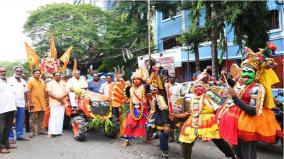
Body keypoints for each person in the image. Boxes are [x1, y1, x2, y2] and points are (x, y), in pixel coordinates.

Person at [218, 47, 282, 159]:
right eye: (244, 72)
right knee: (238, 154)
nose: (246, 74)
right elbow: (235, 85)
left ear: (257, 75)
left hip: (248, 124)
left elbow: (253, 111)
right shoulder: (242, 83)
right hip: (235, 122)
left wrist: (235, 98)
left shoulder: (258, 88)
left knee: (247, 155)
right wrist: (227, 79)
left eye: (249, 72)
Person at [175, 80, 236, 159]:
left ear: (204, 88)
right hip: (193, 121)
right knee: (185, 140)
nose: (198, 88)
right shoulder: (190, 99)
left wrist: (222, 119)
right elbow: (187, 113)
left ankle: (232, 154)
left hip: (209, 121)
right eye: (196, 86)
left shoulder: (209, 96)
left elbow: (220, 107)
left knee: (219, 140)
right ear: (193, 89)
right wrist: (176, 115)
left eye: (200, 86)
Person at [123, 68, 149, 147]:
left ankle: (148, 138)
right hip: (134, 109)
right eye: (134, 79)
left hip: (144, 109)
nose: (136, 81)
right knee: (129, 123)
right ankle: (127, 140)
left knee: (148, 124)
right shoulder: (130, 88)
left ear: (141, 80)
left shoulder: (145, 87)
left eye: (138, 79)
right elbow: (128, 97)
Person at [147, 83, 171, 159]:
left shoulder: (160, 98)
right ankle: (163, 148)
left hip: (162, 120)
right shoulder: (154, 98)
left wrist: (166, 124)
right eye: (151, 90)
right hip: (158, 119)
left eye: (154, 90)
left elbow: (164, 110)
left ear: (158, 90)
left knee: (163, 136)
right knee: (161, 136)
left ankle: (165, 153)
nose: (152, 91)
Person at [8, 66, 30, 142]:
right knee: (10, 121)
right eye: (17, 71)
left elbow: (26, 92)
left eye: (20, 71)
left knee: (20, 120)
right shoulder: (9, 80)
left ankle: (20, 135)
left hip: (21, 103)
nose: (19, 72)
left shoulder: (24, 81)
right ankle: (10, 137)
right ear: (14, 71)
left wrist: (27, 102)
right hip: (11, 104)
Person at [0, 66, 17, 154]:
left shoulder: (9, 81)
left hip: (11, 108)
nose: (3, 73)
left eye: (4, 71)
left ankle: (6, 144)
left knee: (8, 128)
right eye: (1, 71)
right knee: (1, 130)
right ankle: (1, 147)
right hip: (1, 110)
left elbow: (12, 95)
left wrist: (15, 107)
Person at [46, 72, 68, 138]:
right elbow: (49, 93)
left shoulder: (63, 83)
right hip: (54, 103)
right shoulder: (50, 83)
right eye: (57, 75)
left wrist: (61, 99)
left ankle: (59, 132)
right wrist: (58, 99)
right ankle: (50, 132)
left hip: (62, 102)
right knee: (53, 117)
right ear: (53, 76)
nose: (58, 76)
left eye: (59, 75)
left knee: (60, 117)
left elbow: (67, 91)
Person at [27, 69, 48, 138]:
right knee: (32, 118)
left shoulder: (42, 81)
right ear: (33, 74)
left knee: (41, 118)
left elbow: (45, 92)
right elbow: (28, 92)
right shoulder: (30, 81)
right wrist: (30, 102)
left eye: (39, 73)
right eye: (36, 73)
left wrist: (46, 100)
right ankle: (32, 132)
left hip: (42, 102)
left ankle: (40, 130)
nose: (37, 74)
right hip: (34, 102)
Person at [165, 73, 185, 142]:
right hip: (168, 108)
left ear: (176, 78)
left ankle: (179, 138)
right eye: (170, 77)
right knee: (170, 123)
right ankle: (171, 137)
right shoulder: (166, 86)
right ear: (168, 78)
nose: (172, 78)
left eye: (173, 77)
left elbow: (183, 97)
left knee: (178, 123)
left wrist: (183, 109)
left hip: (178, 108)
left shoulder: (180, 86)